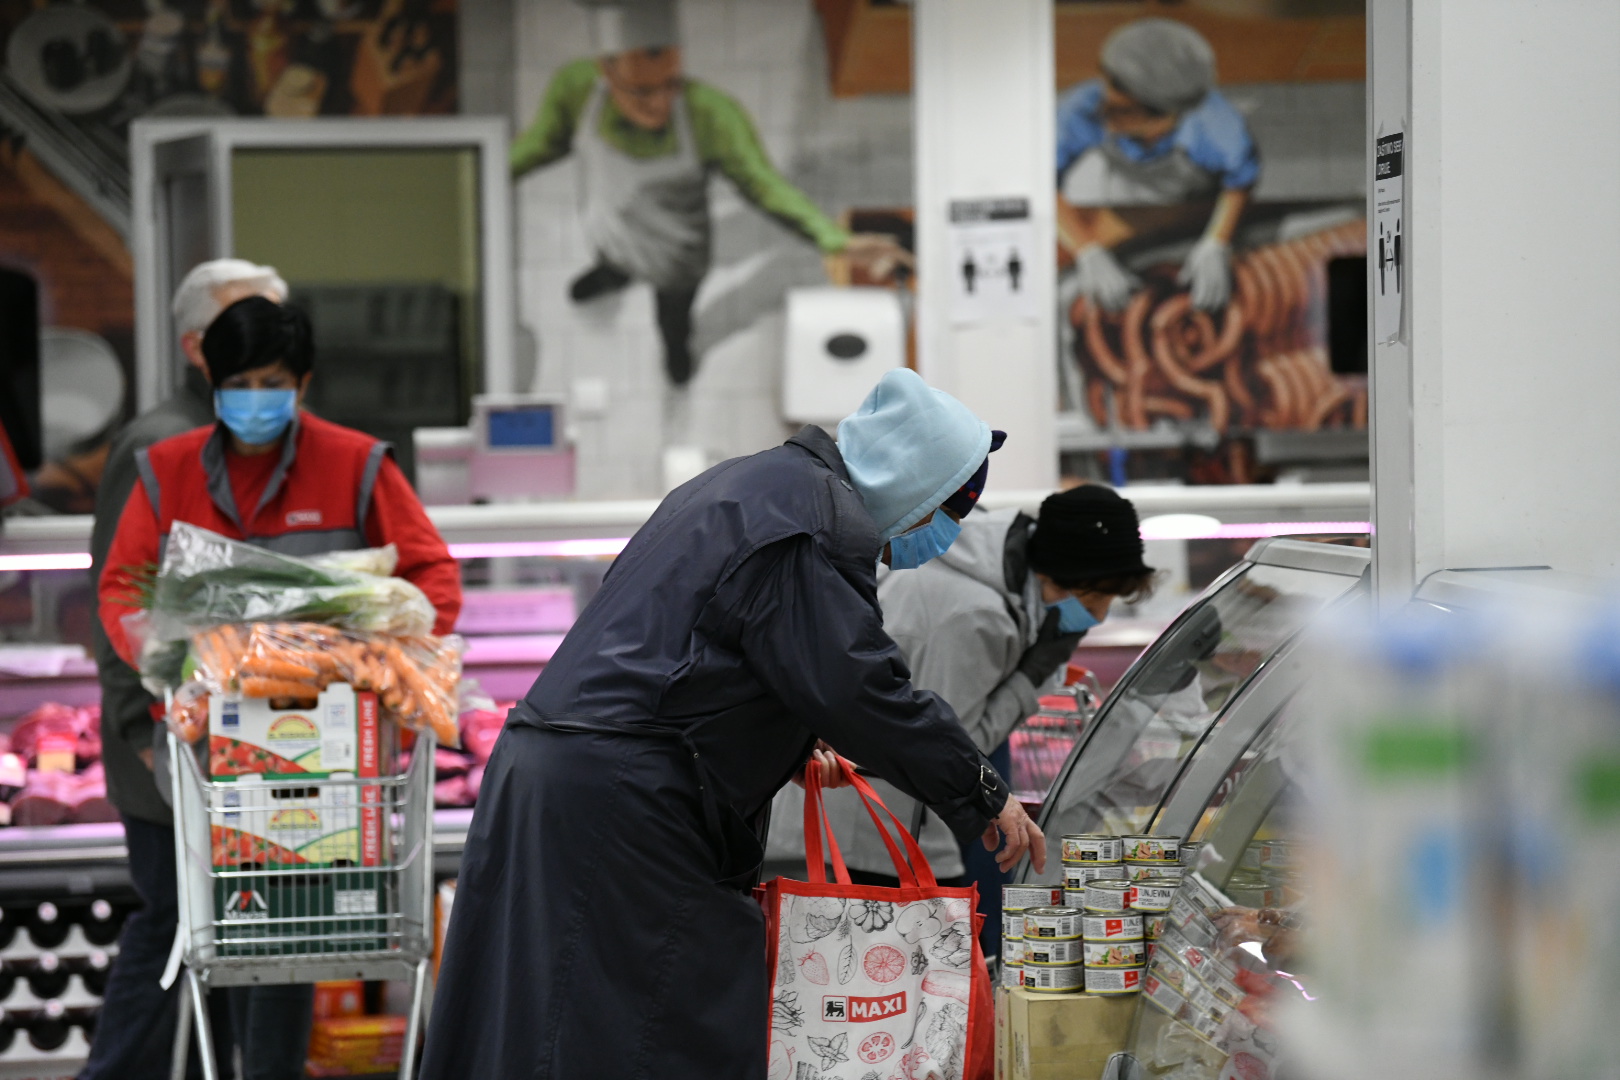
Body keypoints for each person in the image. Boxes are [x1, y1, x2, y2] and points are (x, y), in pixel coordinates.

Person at [421, 369, 1045, 1079]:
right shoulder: (813, 524)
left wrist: (781, 734)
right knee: (664, 1024)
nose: (950, 532)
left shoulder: (758, 483)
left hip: (561, 774)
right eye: (951, 511)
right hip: (625, 801)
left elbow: (711, 646)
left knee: (545, 1020)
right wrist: (979, 789)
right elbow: (861, 686)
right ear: (910, 482)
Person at [95, 296, 462, 1080]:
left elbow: (432, 580)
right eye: (239, 382)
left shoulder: (358, 463)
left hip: (325, 758)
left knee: (294, 938)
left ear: (302, 383)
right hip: (205, 751)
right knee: (204, 939)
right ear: (212, 380)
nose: (254, 398)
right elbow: (123, 587)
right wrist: (173, 664)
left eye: (271, 381)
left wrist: (371, 660)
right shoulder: (164, 470)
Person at [80, 259, 287, 1080]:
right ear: (197, 346)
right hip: (167, 746)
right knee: (173, 926)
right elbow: (118, 598)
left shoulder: (254, 440)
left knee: (234, 938)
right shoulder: (156, 441)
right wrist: (140, 731)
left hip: (235, 743)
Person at [817, 485, 1155, 947]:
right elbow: (954, 750)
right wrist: (1031, 676)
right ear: (1058, 578)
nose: (1098, 616)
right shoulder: (978, 616)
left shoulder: (983, 568)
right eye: (1096, 598)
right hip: (883, 832)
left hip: (881, 813)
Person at [512, 0, 910, 384]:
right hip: (612, 232)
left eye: (670, 84)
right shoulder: (576, 90)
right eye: (641, 92)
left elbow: (764, 185)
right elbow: (538, 145)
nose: (660, 105)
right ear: (606, 71)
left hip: (677, 254)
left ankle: (676, 349)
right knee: (613, 261)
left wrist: (836, 240)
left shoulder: (711, 114)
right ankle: (613, 274)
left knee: (672, 314)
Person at [1054, 18, 1260, 312]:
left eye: (1123, 111)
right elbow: (1042, 182)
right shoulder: (1083, 108)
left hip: (1197, 214)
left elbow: (1240, 182)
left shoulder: (1215, 125)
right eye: (1108, 92)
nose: (1104, 113)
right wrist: (1087, 250)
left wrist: (1216, 242)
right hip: (1122, 212)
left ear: (1167, 116)